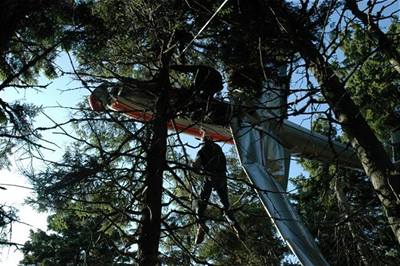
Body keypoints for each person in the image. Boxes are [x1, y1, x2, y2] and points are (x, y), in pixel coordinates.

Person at [192, 132, 245, 244]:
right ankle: (235, 225)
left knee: (201, 203)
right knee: (225, 204)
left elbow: (196, 166)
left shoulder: (202, 151)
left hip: (210, 178)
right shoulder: (218, 149)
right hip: (222, 178)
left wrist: (196, 168)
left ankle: (201, 225)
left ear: (203, 141)